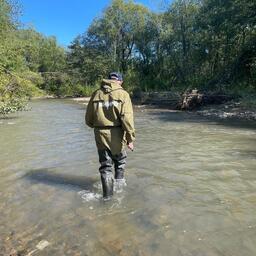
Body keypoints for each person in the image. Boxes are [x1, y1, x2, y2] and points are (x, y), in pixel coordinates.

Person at [85, 72, 135, 200]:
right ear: (120, 81)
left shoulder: (96, 93)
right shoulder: (123, 94)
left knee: (105, 166)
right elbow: (127, 119)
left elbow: (88, 120)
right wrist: (130, 138)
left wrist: (98, 127)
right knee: (120, 162)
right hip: (117, 134)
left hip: (100, 133)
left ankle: (107, 198)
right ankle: (119, 191)